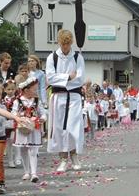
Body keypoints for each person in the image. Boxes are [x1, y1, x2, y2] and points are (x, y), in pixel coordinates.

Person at [46, 28, 85, 173]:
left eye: (68, 44)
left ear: (71, 43)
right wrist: (68, 77)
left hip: (74, 97)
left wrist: (61, 79)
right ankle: (63, 158)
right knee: (59, 128)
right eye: (63, 44)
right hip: (58, 96)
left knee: (73, 127)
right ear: (59, 43)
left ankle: (74, 155)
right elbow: (50, 78)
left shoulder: (77, 57)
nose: (65, 47)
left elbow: (80, 79)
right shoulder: (52, 57)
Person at [12, 74, 46, 182]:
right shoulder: (17, 101)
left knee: (33, 151)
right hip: (22, 129)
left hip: (34, 129)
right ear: (26, 90)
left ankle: (34, 173)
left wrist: (43, 118)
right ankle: (26, 171)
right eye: (34, 89)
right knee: (23, 150)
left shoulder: (37, 101)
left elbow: (43, 113)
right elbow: (13, 113)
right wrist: (19, 118)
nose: (36, 91)